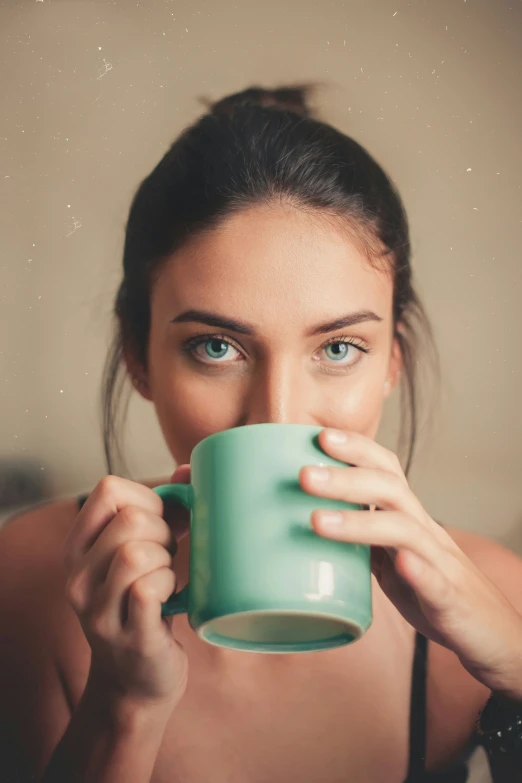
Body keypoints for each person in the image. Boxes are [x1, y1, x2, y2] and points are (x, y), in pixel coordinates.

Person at [1, 85, 522, 783]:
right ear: (137, 354)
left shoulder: (496, 602)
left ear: (392, 360)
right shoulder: (21, 584)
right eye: (216, 347)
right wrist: (123, 707)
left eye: (338, 348)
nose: (279, 418)